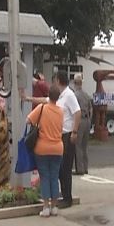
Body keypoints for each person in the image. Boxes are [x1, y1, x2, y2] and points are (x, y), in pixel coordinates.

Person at [28, 71, 81, 209]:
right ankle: (61, 195)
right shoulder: (58, 96)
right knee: (59, 169)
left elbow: (77, 112)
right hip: (59, 136)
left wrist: (75, 131)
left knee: (65, 168)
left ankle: (67, 197)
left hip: (68, 134)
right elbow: (45, 100)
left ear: (58, 80)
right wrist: (28, 98)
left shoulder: (69, 95)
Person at [27, 85, 64, 217]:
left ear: (49, 95)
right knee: (54, 177)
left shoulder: (42, 108)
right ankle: (54, 207)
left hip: (42, 148)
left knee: (44, 177)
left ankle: (46, 207)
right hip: (58, 148)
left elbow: (28, 120)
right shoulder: (61, 112)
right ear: (58, 97)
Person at [73, 74, 92, 175]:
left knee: (78, 145)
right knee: (85, 145)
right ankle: (85, 167)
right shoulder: (86, 95)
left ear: (75, 83)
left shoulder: (75, 95)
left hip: (80, 120)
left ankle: (79, 169)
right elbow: (90, 109)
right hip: (87, 120)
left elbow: (75, 110)